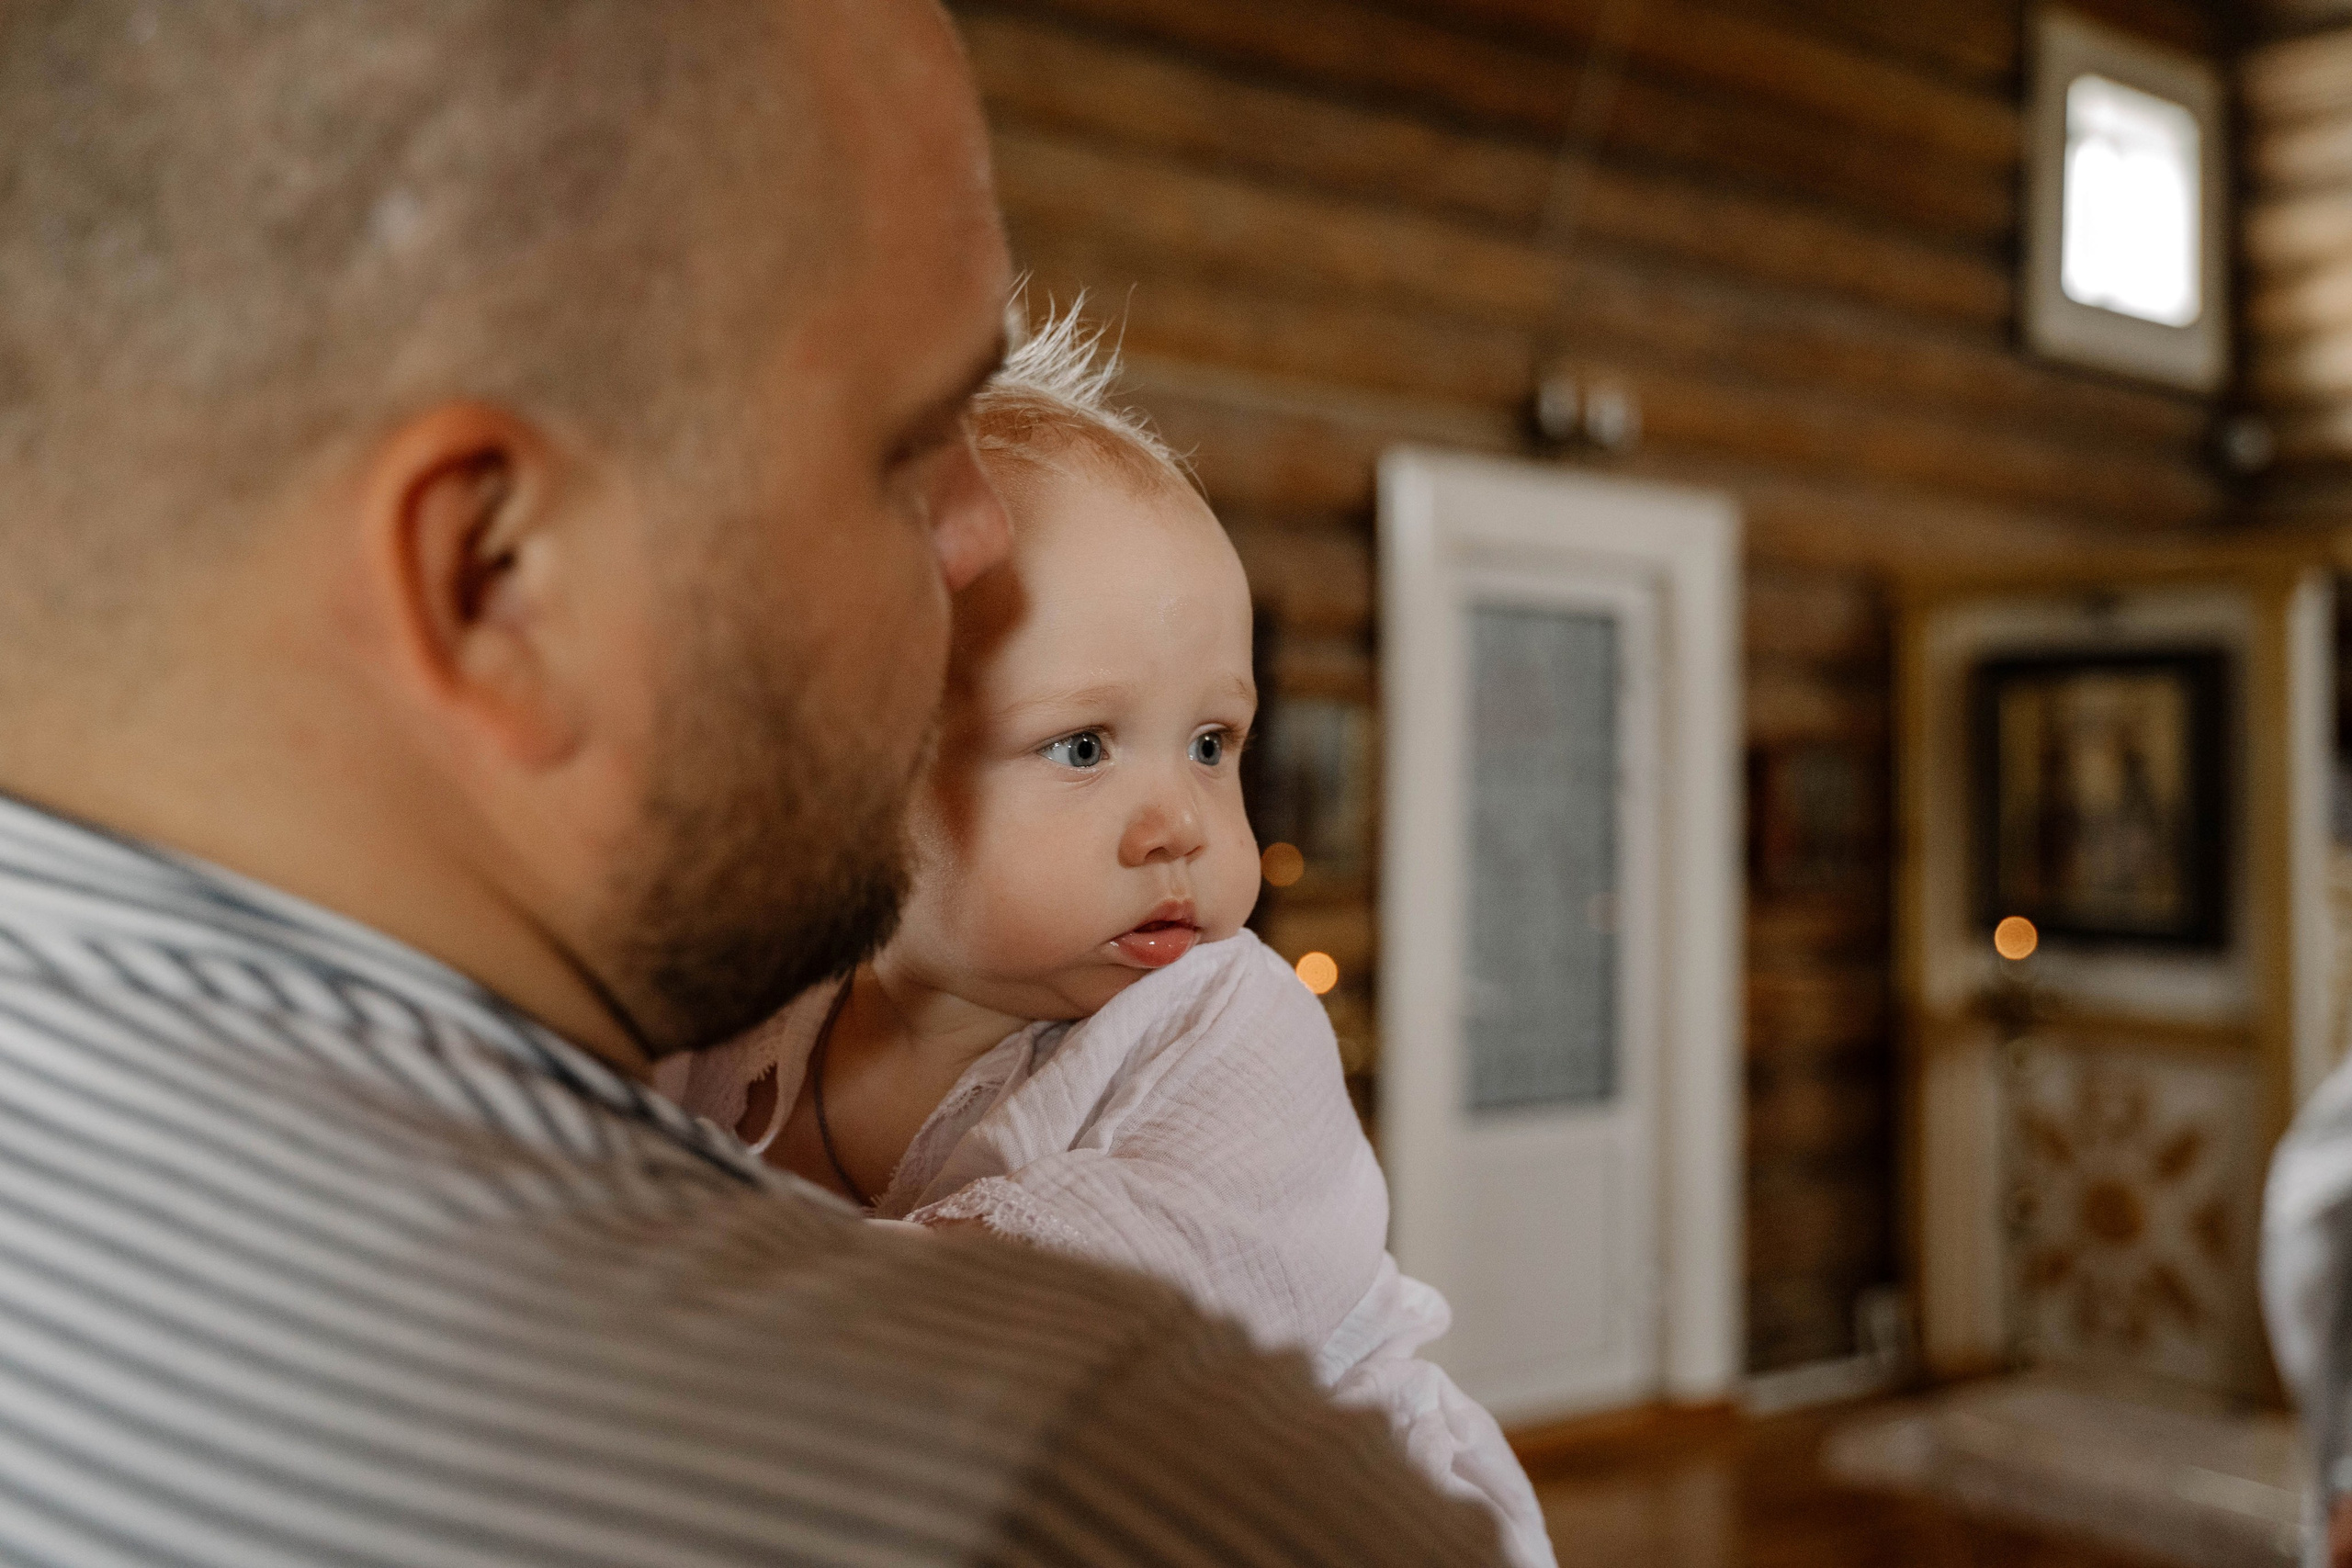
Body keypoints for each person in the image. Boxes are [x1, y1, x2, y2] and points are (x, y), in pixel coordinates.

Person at [0, 4, 1505, 1564]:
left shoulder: (1201, 1033)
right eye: (904, 444)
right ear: (496, 574)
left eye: (1214, 742)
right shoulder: (1046, 1483)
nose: (978, 537)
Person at [656, 314, 1555, 1568]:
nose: (1181, 822)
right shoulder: (760, 1009)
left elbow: (1057, 1326)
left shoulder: (1228, 1030)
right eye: (1083, 747)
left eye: (1211, 744)